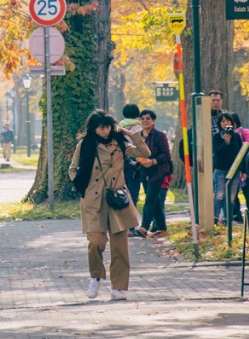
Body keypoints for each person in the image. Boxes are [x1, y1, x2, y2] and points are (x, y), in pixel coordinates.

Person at [71, 110, 145, 300]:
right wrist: (85, 189)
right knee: (96, 241)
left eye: (108, 127)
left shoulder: (120, 143)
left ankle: (119, 287)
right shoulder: (85, 145)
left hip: (117, 198)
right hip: (94, 200)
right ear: (93, 128)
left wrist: (130, 134)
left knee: (120, 246)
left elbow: (145, 153)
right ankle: (96, 277)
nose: (105, 131)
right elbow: (73, 169)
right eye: (101, 127)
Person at [135, 107, 173, 235]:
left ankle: (144, 227)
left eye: (148, 118)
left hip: (158, 171)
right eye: (143, 119)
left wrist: (153, 161)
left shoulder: (159, 136)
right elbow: (135, 151)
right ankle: (162, 226)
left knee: (150, 199)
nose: (145, 121)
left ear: (153, 121)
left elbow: (166, 154)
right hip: (144, 171)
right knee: (155, 199)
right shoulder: (138, 136)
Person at [210, 112, 242, 224]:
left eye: (228, 121)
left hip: (234, 170)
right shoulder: (217, 137)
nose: (226, 123)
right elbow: (217, 152)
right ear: (220, 124)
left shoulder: (236, 136)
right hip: (220, 169)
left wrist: (244, 170)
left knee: (231, 197)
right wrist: (225, 143)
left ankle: (226, 219)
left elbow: (240, 153)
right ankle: (215, 217)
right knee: (219, 195)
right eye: (223, 121)